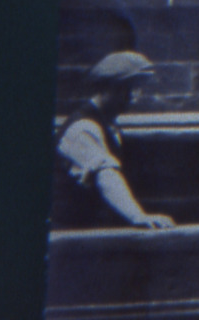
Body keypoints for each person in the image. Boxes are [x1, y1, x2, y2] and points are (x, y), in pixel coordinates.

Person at [53, 51, 175, 229]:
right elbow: (106, 175)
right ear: (105, 89)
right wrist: (137, 216)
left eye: (136, 89)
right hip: (68, 233)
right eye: (125, 89)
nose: (133, 96)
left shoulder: (109, 124)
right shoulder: (83, 129)